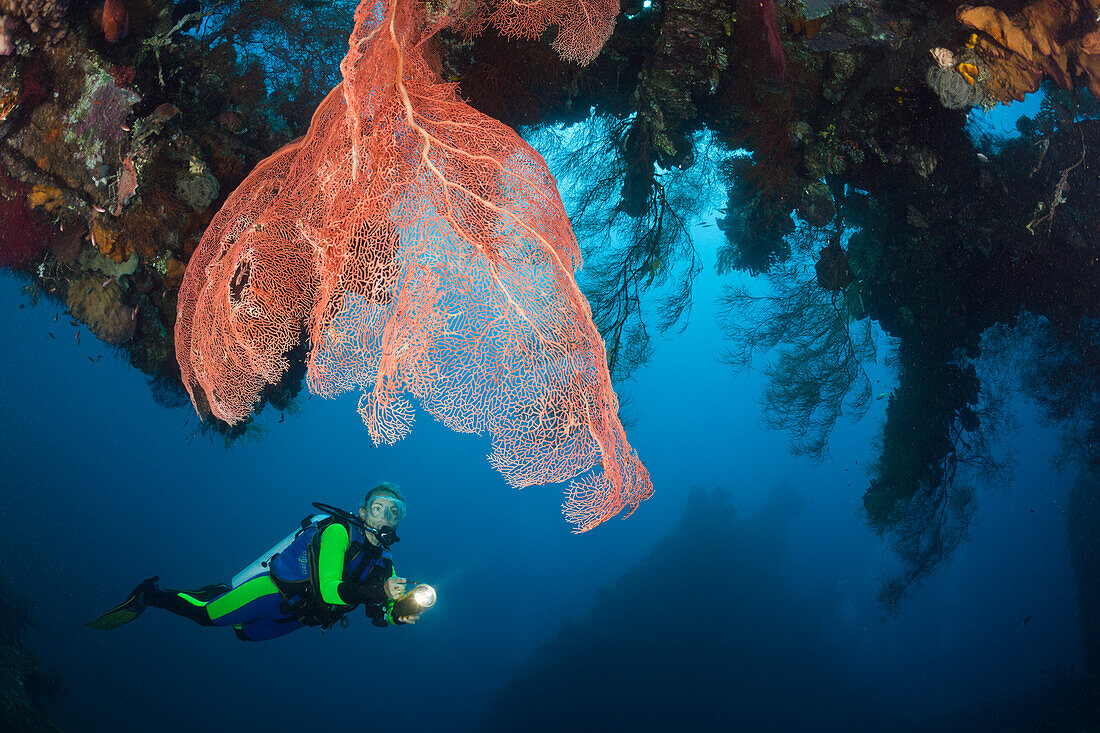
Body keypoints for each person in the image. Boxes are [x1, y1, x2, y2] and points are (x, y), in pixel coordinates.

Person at [87, 484, 420, 641]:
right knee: (206, 617)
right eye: (379, 508)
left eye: (395, 513)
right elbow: (332, 590)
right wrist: (380, 592)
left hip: (300, 615)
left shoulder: (385, 564)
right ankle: (150, 594)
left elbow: (380, 612)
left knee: (244, 635)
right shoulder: (338, 532)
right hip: (272, 591)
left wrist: (398, 612)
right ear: (363, 513)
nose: (386, 517)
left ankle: (219, 593)